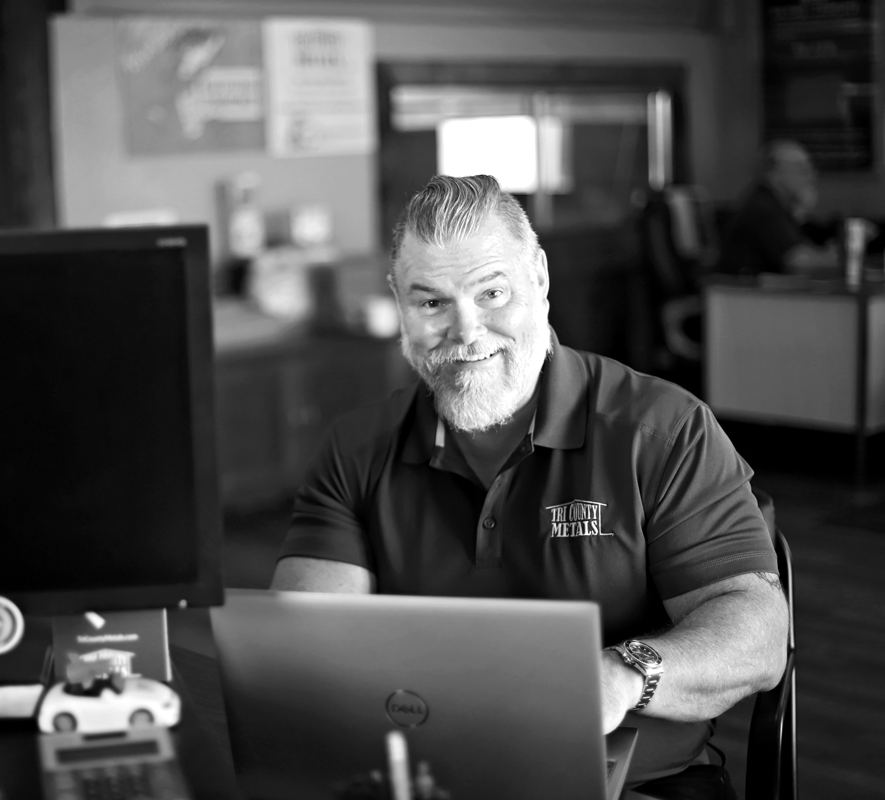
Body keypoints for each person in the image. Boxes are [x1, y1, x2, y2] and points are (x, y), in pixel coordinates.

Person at [272, 175, 788, 799]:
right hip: (431, 779)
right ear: (399, 304)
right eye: (431, 303)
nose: (466, 333)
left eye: (492, 292)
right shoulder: (357, 448)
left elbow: (757, 635)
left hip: (633, 785)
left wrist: (624, 676)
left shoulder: (660, 430)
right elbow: (307, 645)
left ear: (540, 279)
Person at [717, 139, 839, 276]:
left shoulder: (774, 204)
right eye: (802, 169)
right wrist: (837, 257)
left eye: (810, 169)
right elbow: (799, 262)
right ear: (775, 174)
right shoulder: (763, 207)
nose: (811, 176)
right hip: (745, 295)